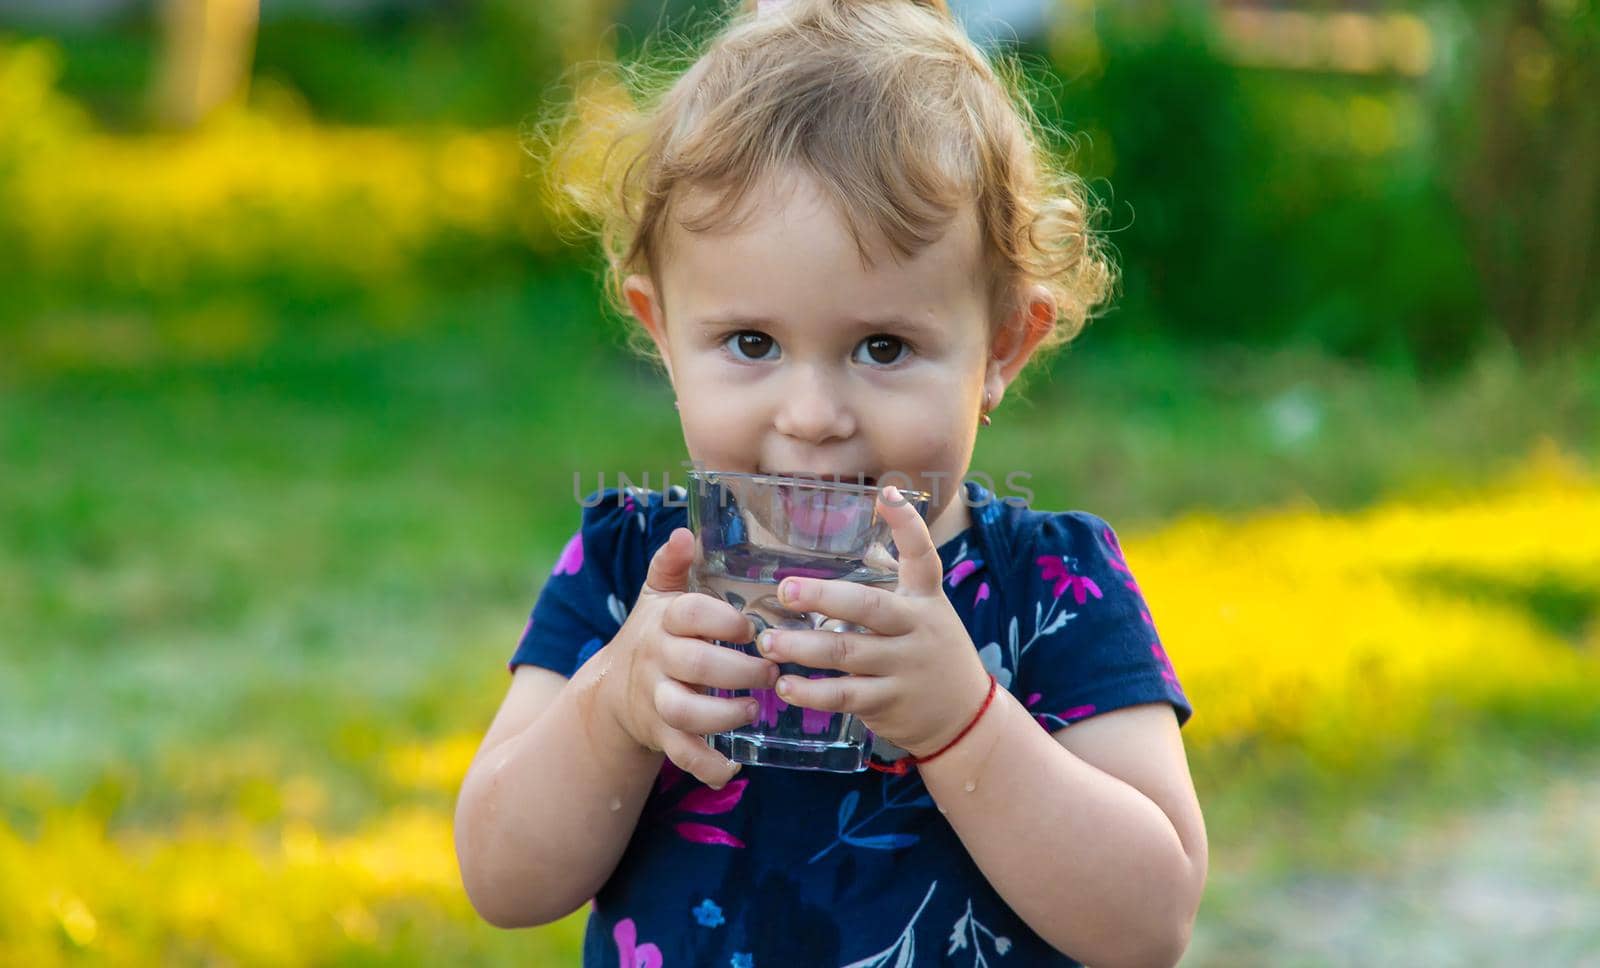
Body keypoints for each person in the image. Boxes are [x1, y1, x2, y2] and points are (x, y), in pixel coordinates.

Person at [454, 1, 1207, 964]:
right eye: (751, 343)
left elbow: (1149, 924)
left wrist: (965, 722)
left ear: (1004, 346)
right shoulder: (633, 574)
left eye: (882, 346)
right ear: (663, 338)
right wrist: (614, 710)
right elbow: (502, 880)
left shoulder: (1050, 591)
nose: (812, 415)